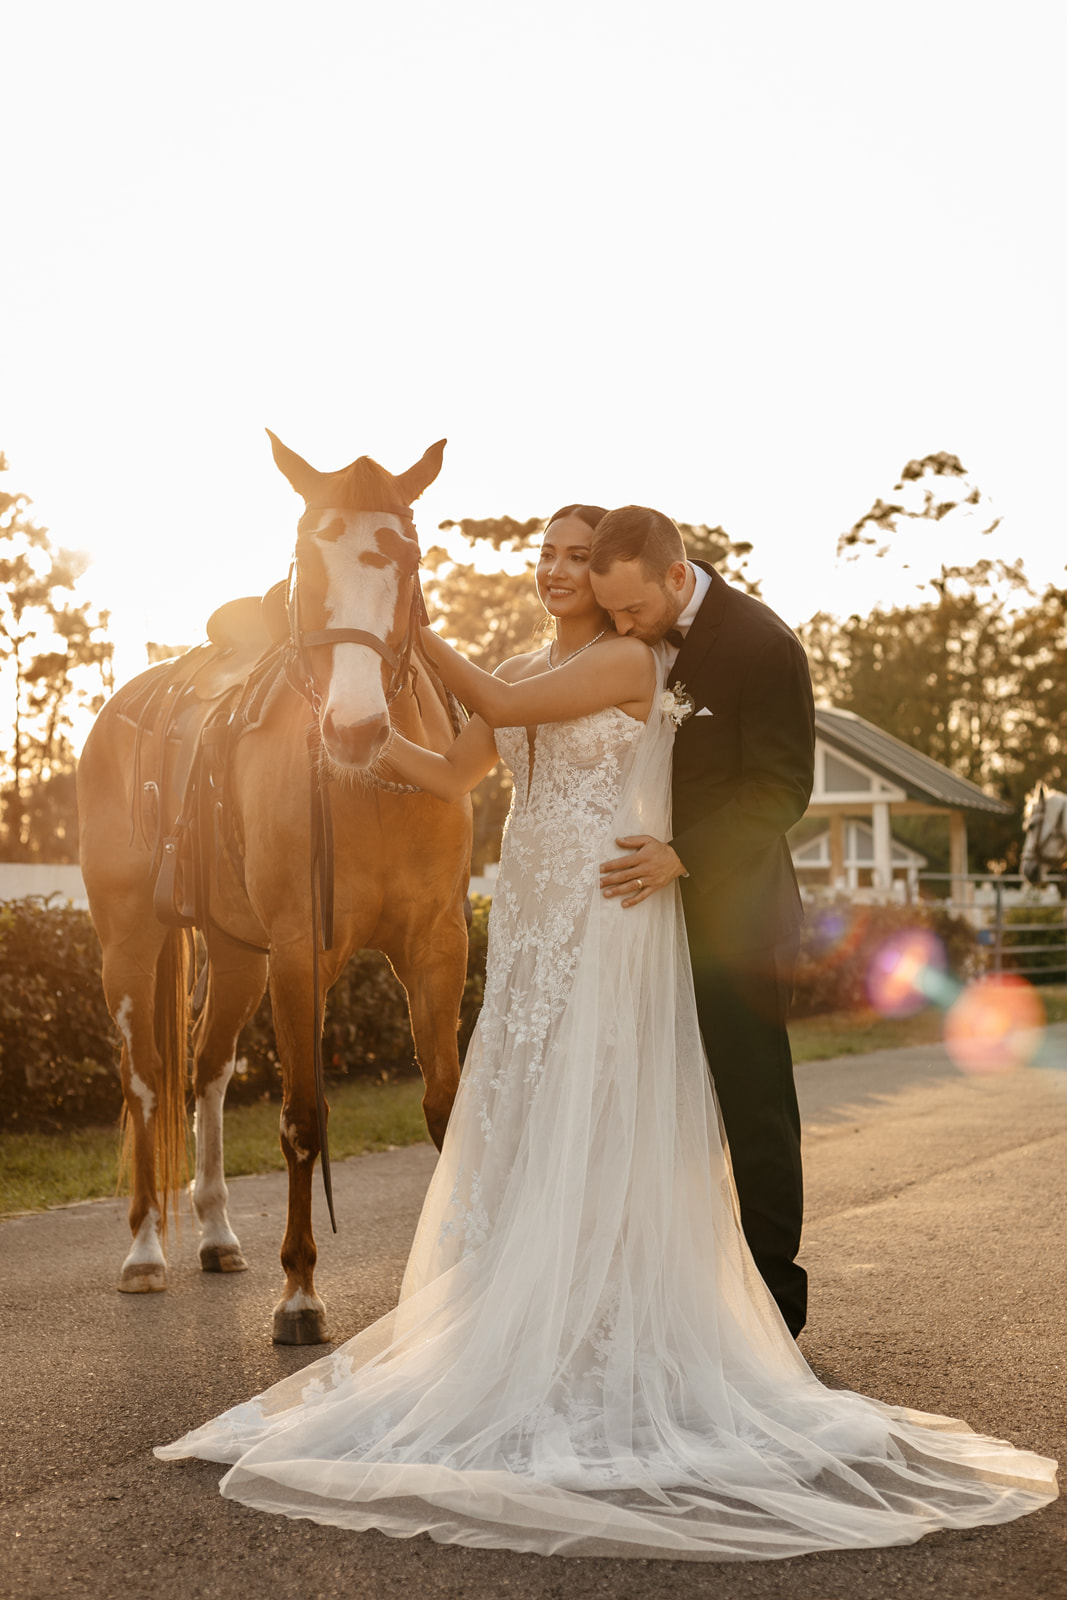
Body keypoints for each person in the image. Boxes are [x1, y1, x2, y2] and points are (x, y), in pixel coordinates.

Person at [156, 507, 1057, 1559]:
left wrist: (406, 619)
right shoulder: (540, 660)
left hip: (614, 900)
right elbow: (458, 768)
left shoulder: (636, 659)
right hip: (534, 909)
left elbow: (689, 761)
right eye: (542, 555)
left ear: (626, 581)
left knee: (654, 1101)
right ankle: (530, 1314)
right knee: (531, 1104)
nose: (554, 573)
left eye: (576, 562)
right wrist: (364, 740)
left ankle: (707, 1320)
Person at [587, 506, 814, 1338]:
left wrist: (681, 854)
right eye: (609, 613)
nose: (621, 627)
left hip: (739, 921)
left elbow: (783, 789)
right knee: (658, 1105)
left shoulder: (764, 643)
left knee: (752, 1109)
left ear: (675, 576)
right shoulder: (637, 642)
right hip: (645, 928)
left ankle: (772, 1310)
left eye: (631, 610)